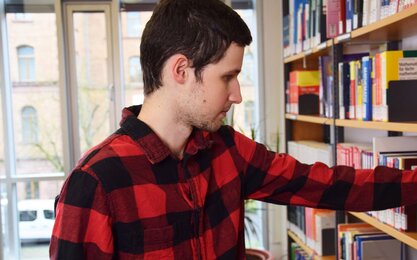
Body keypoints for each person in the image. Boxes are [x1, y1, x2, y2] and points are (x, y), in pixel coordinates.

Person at [49, 0, 417, 259]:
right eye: (228, 77)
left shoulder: (227, 150)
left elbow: (327, 185)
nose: (237, 95)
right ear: (180, 71)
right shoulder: (95, 182)